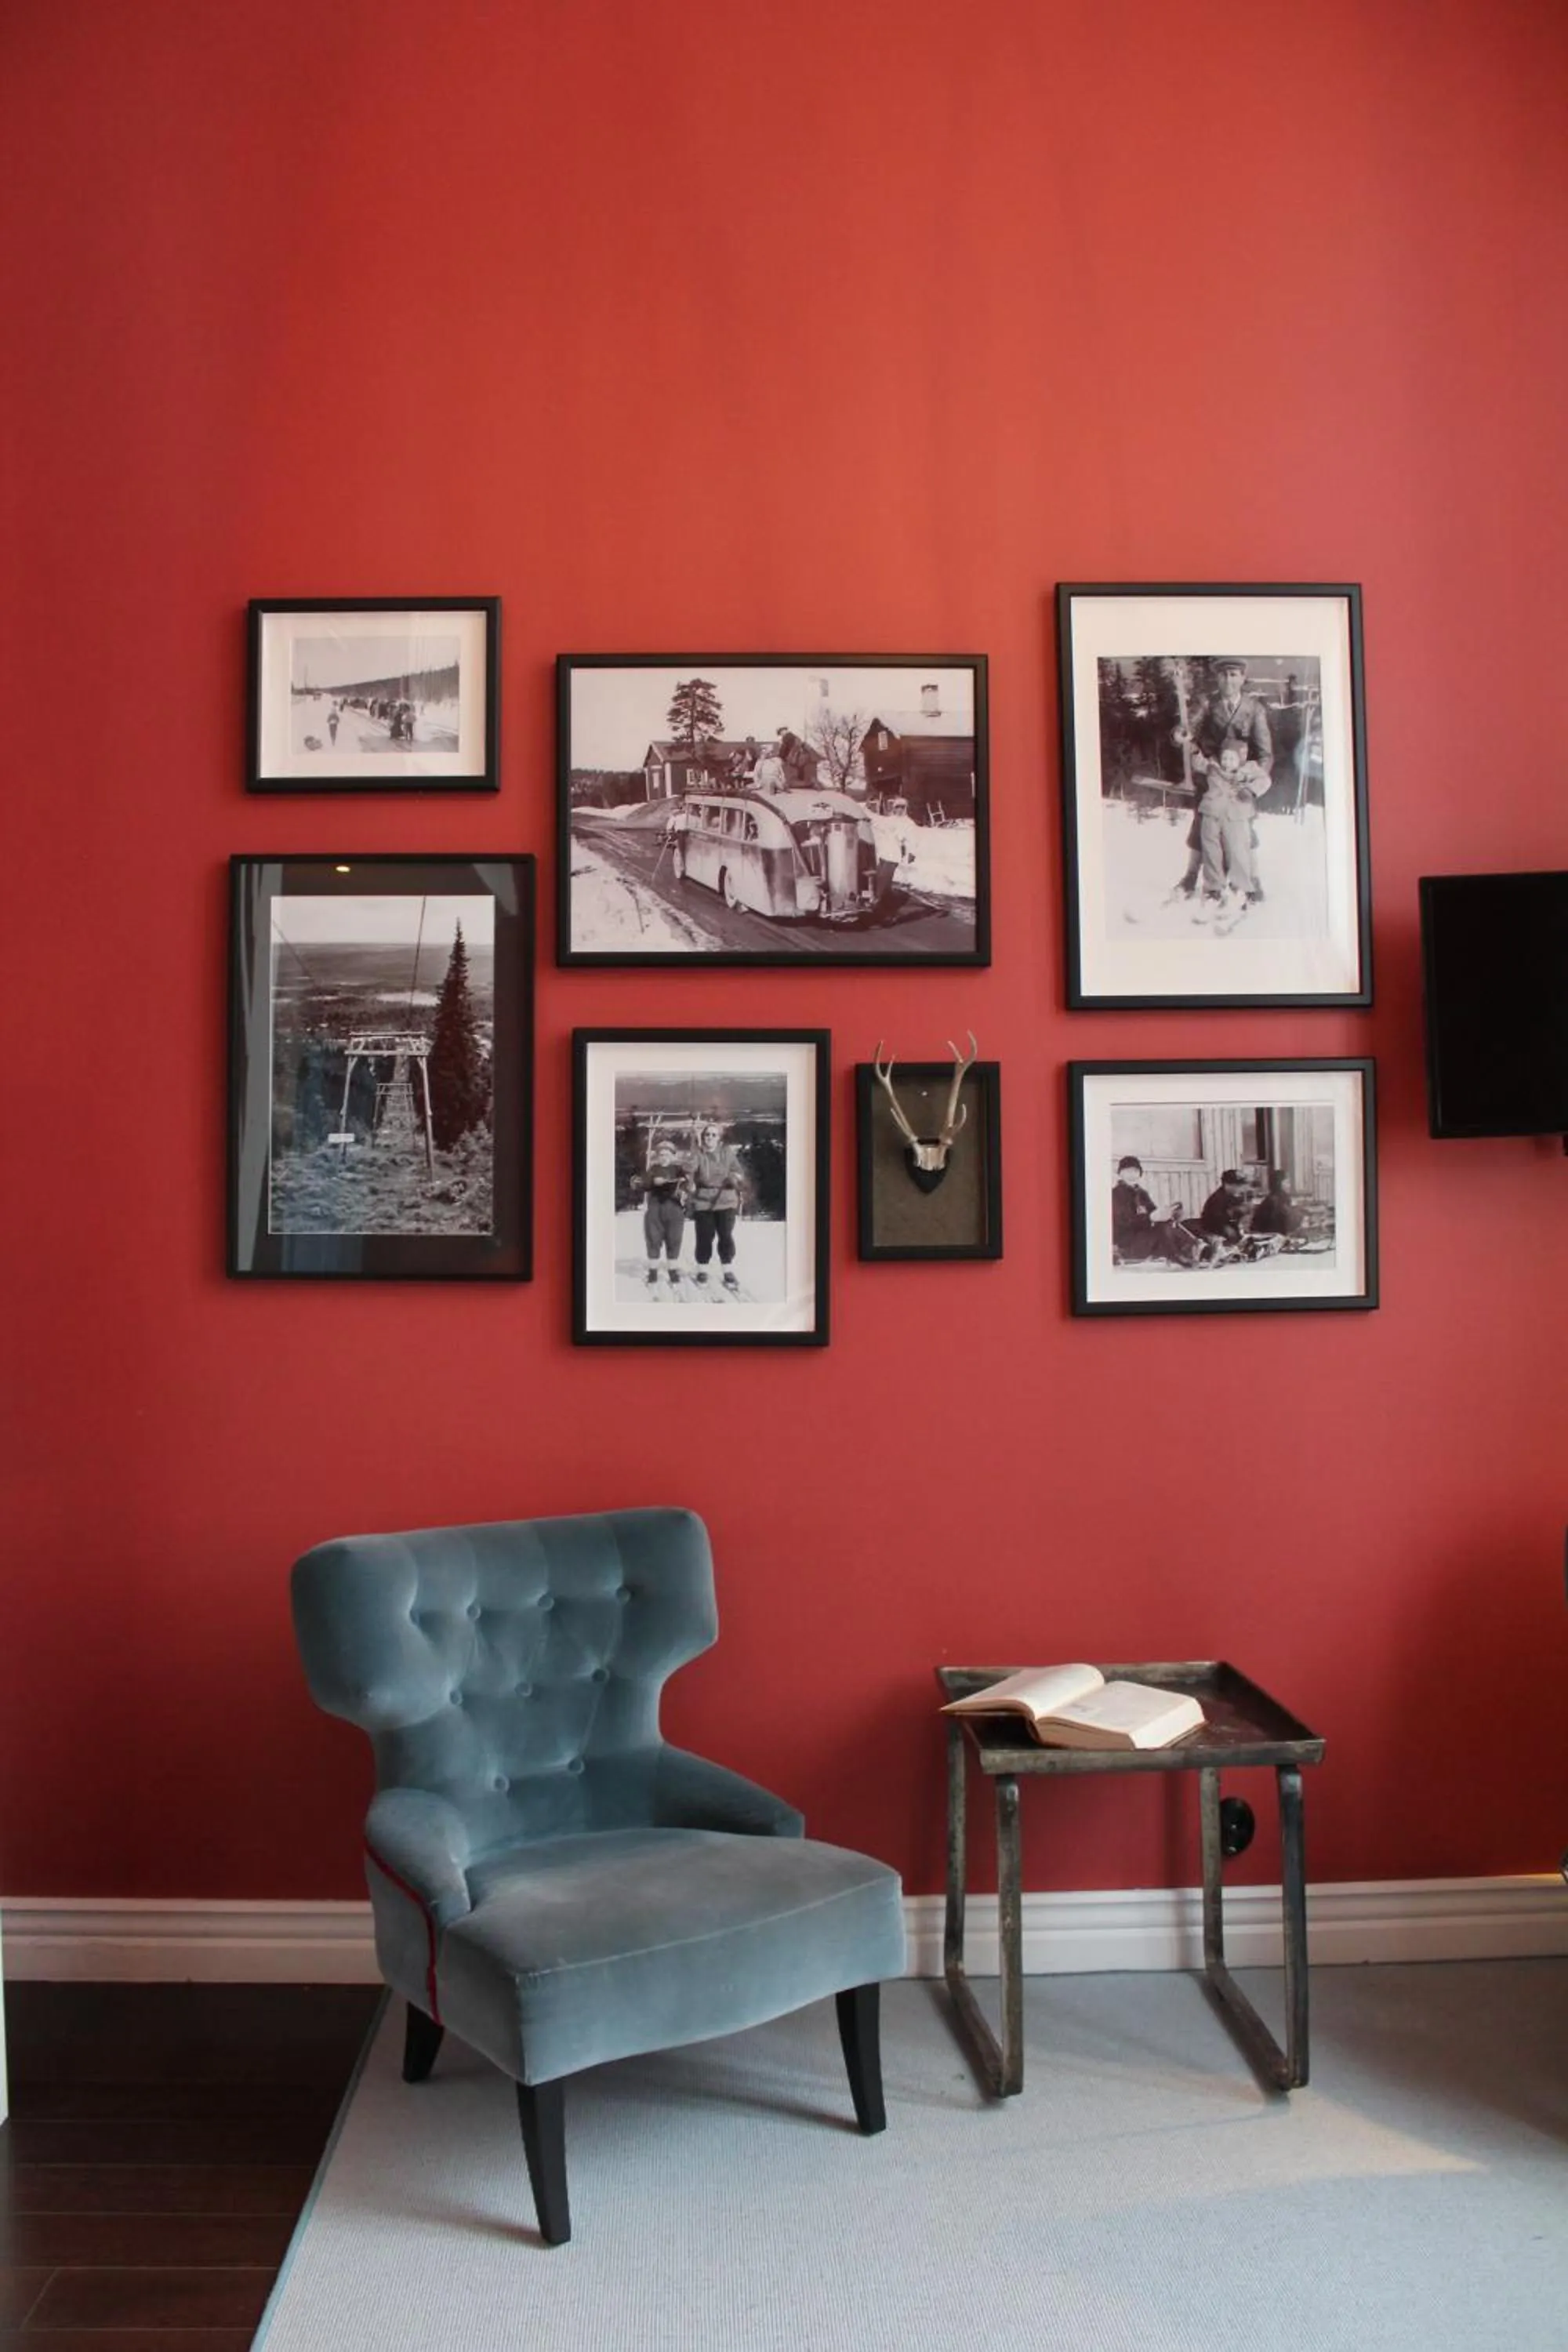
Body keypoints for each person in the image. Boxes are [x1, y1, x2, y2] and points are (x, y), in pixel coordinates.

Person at [1168, 656, 1275, 903]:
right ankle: (1191, 876)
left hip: (1240, 783)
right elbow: (1187, 728)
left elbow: (1265, 753)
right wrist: (1179, 734)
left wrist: (1252, 782)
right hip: (1211, 778)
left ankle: (1253, 878)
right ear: (1218, 678)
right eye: (1225, 675)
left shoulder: (1255, 709)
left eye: (1235, 675)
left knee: (1245, 831)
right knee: (1201, 828)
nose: (1230, 680)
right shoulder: (1207, 703)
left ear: (1243, 678)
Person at [1192, 742, 1267, 922]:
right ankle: (1213, 890)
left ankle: (1241, 888)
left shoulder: (1250, 769)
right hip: (1212, 813)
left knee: (1238, 852)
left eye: (1232, 758)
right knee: (1211, 852)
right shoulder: (1213, 766)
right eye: (1225, 757)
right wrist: (1194, 750)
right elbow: (1198, 763)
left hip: (1236, 815)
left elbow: (1265, 780)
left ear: (1240, 758)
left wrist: (1251, 790)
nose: (1227, 761)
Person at [687, 1120, 749, 1289]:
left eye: (714, 1135)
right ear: (703, 1137)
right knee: (704, 1237)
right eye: (707, 1134)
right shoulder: (698, 1154)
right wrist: (690, 1182)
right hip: (704, 1201)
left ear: (719, 1138)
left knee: (726, 1236)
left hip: (726, 1199)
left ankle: (727, 1270)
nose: (710, 1138)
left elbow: (738, 1171)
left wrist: (735, 1177)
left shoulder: (727, 1152)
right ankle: (702, 1270)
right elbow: (689, 1172)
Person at [630, 1136, 689, 1287]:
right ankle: (653, 1271)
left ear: (673, 1155)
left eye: (667, 1154)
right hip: (655, 1209)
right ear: (657, 1156)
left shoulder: (679, 1169)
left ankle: (672, 1270)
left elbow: (687, 1185)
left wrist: (684, 1190)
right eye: (661, 1154)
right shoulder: (653, 1169)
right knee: (653, 1239)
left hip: (674, 1209)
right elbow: (643, 1183)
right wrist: (647, 1182)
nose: (664, 1157)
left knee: (674, 1239)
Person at [1196, 1167, 1252, 1253]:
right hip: (1214, 1228)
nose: (1240, 1189)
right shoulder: (1218, 1198)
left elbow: (1238, 1216)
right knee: (1230, 1234)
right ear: (1227, 1184)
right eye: (1237, 1186)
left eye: (1241, 1186)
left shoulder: (1234, 1197)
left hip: (1229, 1227)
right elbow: (1216, 1219)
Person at [1250, 1167, 1303, 1239]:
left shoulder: (1281, 1198)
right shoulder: (1274, 1201)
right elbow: (1283, 1222)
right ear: (1279, 1184)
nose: (1289, 1186)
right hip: (1270, 1238)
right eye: (1287, 1182)